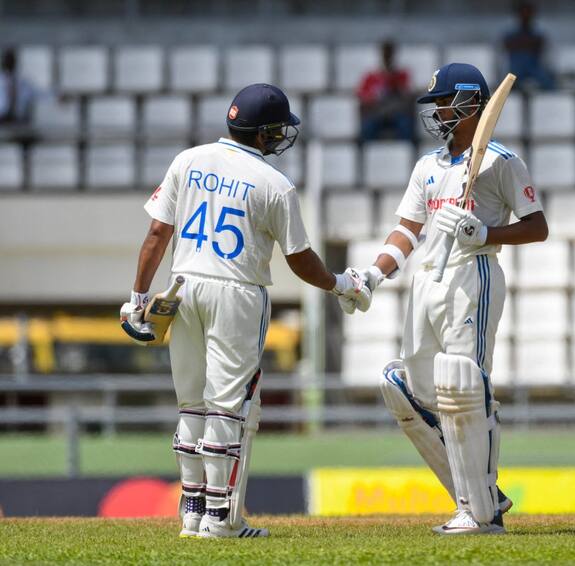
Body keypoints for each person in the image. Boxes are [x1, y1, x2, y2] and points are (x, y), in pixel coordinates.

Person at [119, 83, 369, 539]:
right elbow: (299, 259)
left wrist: (138, 298)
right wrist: (339, 285)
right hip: (237, 292)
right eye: (277, 130)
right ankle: (220, 519)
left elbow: (157, 234)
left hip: (183, 285)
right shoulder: (275, 184)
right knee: (228, 409)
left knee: (191, 406)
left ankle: (192, 513)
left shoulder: (187, 160)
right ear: (264, 133)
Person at [340, 63, 548, 535]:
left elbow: (538, 227)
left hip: (471, 275)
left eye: (443, 102)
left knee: (464, 386)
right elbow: (408, 231)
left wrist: (485, 233)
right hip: (426, 283)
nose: (435, 112)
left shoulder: (501, 162)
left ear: (472, 103)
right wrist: (373, 274)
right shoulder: (427, 166)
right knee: (403, 387)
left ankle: (480, 511)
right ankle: (481, 494)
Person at [356, 41, 414, 141]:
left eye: (389, 53)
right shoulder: (371, 76)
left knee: (406, 126)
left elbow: (407, 96)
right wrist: (374, 97)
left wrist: (395, 85)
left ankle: (407, 153)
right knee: (367, 128)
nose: (387, 57)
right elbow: (362, 96)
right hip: (377, 113)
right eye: (385, 53)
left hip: (396, 113)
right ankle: (366, 154)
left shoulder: (401, 74)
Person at [502, 1, 555, 90]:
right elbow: (503, 53)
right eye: (523, 13)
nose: (525, 15)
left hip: (534, 69)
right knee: (507, 85)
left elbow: (546, 54)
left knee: (549, 83)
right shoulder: (509, 35)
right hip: (516, 70)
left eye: (528, 12)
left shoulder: (539, 35)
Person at [0, 47, 38, 125]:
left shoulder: (23, 81)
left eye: (11, 60)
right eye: (7, 60)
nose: (9, 63)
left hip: (19, 119)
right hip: (2, 118)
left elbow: (38, 93)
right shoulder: (2, 80)